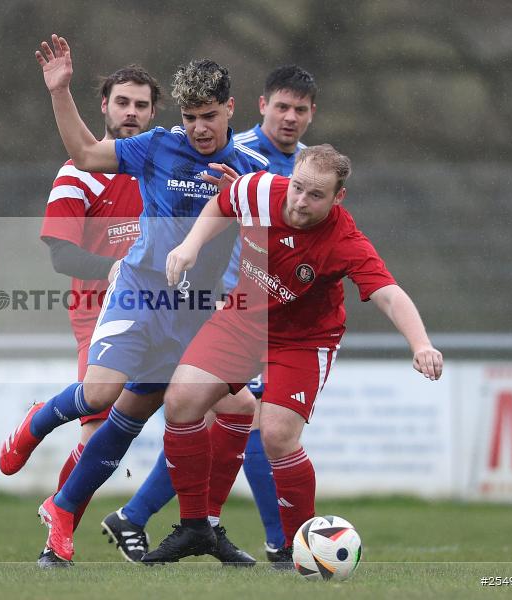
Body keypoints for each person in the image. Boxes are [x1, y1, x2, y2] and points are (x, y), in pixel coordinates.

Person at [1, 34, 269, 567]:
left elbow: (270, 239)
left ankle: (81, 515)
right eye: (190, 116)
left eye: (209, 116)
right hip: (139, 294)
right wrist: (60, 92)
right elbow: (83, 153)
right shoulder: (157, 146)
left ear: (231, 109)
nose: (197, 128)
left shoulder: (249, 166)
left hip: (194, 314)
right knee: (100, 395)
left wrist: (246, 198)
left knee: (212, 408)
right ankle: (39, 421)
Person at [141, 144, 443, 564]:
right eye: (297, 187)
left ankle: (298, 549)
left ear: (338, 197)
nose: (300, 201)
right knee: (180, 402)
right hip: (243, 321)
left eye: (315, 195)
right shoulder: (261, 190)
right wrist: (191, 246)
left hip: (304, 340)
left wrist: (421, 343)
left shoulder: (344, 240)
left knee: (279, 435)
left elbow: (389, 295)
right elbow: (221, 203)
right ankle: (196, 528)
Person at [103, 64, 318, 565]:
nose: (289, 118)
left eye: (300, 110)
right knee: (244, 416)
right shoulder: (233, 154)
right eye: (281, 106)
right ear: (258, 105)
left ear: (312, 115)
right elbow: (208, 228)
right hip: (224, 309)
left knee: (226, 415)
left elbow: (304, 233)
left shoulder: (310, 166)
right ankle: (278, 542)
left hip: (272, 308)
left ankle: (156, 517)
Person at [26, 65, 160, 532]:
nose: (131, 112)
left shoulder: (162, 167)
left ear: (153, 113)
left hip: (163, 313)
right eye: (122, 102)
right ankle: (60, 526)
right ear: (103, 106)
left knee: (216, 410)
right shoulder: (78, 173)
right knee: (99, 425)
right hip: (98, 313)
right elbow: (62, 256)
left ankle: (190, 525)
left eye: (141, 105)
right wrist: (117, 270)